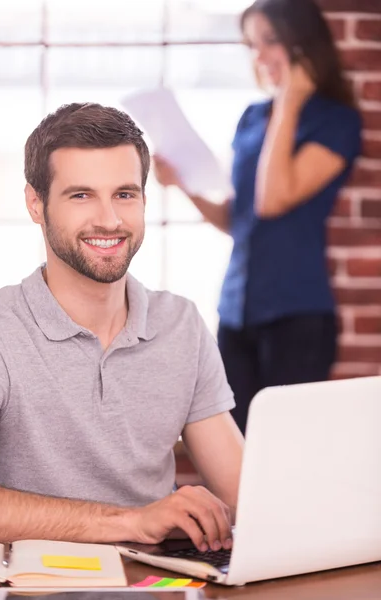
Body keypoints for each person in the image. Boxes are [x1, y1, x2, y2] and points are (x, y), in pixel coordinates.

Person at [0, 102, 244, 550]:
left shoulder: (180, 324)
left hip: (157, 585)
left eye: (124, 194)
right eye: (81, 195)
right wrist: (133, 522)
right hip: (36, 587)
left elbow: (245, 494)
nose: (109, 219)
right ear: (36, 204)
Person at [153, 0, 362, 434]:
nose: (259, 56)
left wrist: (289, 102)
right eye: (252, 45)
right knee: (234, 441)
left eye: (270, 41)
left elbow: (273, 199)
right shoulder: (252, 117)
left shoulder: (335, 121)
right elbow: (239, 219)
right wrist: (183, 186)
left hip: (297, 312)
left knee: (283, 447)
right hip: (236, 310)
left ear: (303, 42)